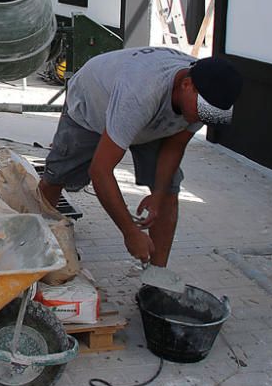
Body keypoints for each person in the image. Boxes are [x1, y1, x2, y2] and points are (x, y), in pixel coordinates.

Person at [38, 48, 243, 267]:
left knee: (169, 191)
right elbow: (100, 171)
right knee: (57, 175)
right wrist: (130, 232)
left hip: (151, 117)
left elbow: (174, 146)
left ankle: (157, 278)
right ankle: (38, 248)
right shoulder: (141, 92)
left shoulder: (206, 93)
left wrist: (157, 193)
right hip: (92, 104)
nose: (202, 119)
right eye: (202, 112)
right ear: (186, 85)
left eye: (209, 115)